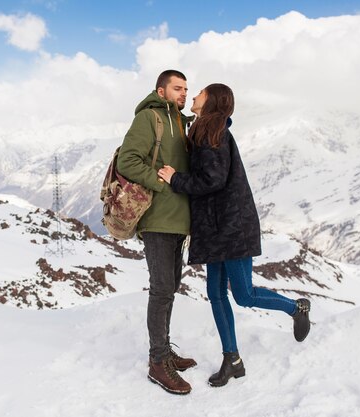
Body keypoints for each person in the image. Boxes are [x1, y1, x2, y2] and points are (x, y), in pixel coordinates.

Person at [157, 83, 311, 388]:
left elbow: (211, 180)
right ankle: (233, 359)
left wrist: (176, 179)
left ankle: (297, 308)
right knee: (215, 294)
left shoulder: (213, 135)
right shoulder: (204, 130)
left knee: (244, 295)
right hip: (217, 229)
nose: (194, 96)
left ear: (211, 101)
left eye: (199, 92)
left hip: (232, 227)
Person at [117, 70, 197, 395]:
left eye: (186, 89)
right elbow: (127, 160)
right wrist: (160, 183)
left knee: (170, 288)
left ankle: (165, 351)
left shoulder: (181, 122)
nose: (183, 93)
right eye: (178, 88)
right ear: (161, 90)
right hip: (158, 220)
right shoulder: (150, 118)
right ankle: (157, 362)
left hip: (179, 221)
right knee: (161, 289)